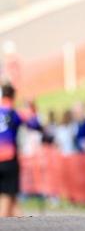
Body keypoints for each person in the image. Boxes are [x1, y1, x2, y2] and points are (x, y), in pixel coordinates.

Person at [0, 84, 41, 217]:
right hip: (9, 159)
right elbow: (34, 124)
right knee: (6, 199)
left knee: (12, 200)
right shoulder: (14, 113)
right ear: (13, 96)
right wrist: (32, 106)